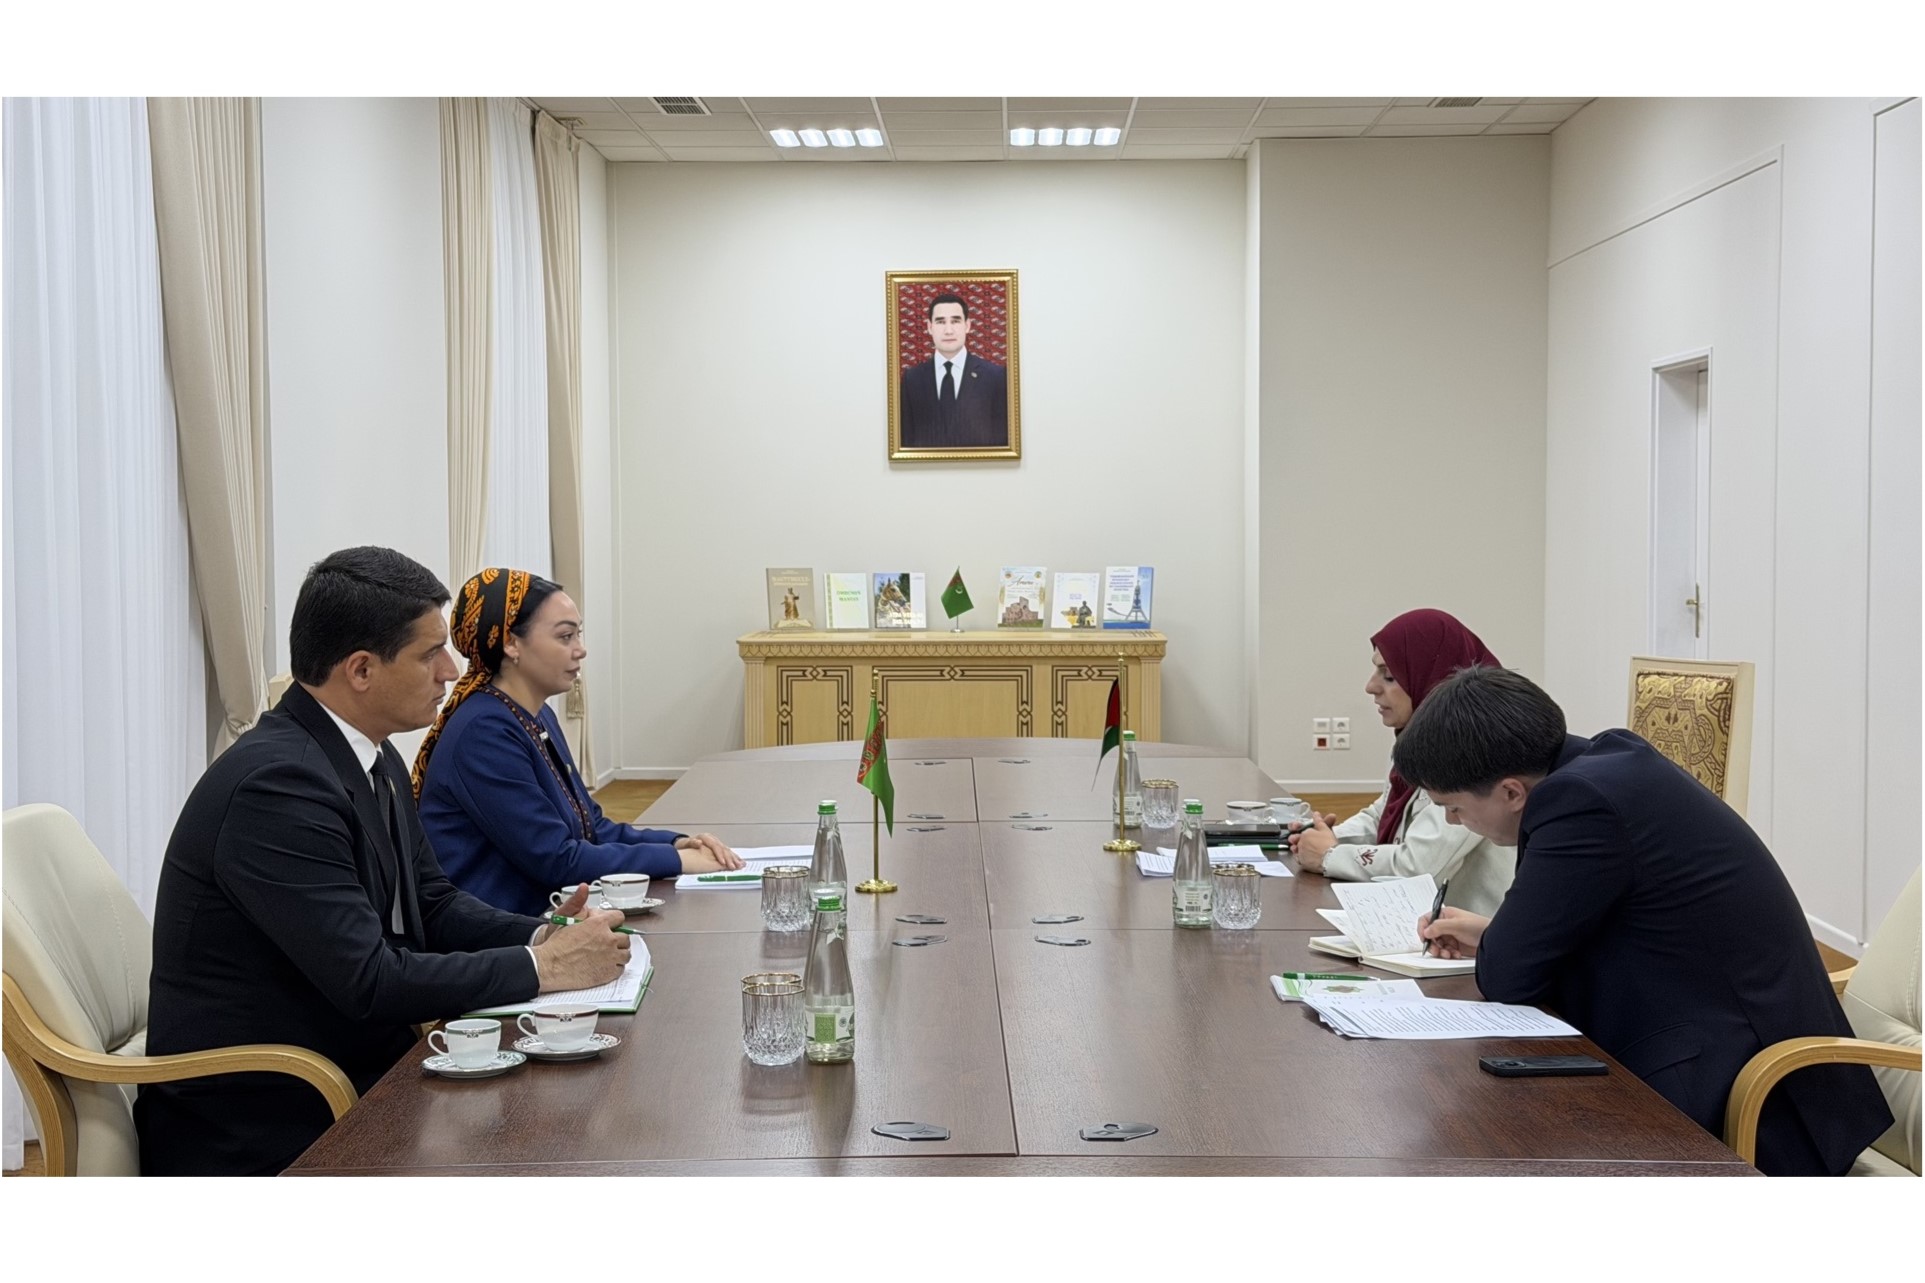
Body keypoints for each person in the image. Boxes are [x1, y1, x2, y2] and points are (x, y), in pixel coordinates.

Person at [137, 547, 631, 1176]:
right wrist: (544, 967)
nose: (451, 671)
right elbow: (369, 981)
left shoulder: (371, 754)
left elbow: (433, 903)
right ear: (362, 670)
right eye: (430, 654)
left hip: (355, 1070)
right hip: (270, 1114)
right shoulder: (276, 787)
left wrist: (544, 935)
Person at [1397, 666, 1892, 1176]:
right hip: (1714, 1039)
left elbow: (1508, 976)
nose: (1454, 822)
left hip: (1753, 1097)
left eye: (1453, 808)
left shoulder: (1578, 802)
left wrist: (1499, 946)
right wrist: (1491, 934)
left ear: (1511, 792)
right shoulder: (1603, 763)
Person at [414, 568, 743, 918]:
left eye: (578, 634)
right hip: (501, 936)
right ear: (511, 643)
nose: (581, 650)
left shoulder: (535, 714)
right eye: (565, 636)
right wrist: (677, 861)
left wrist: (677, 843)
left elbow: (591, 827)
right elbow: (557, 859)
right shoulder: (484, 731)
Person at [1288, 608, 1515, 915]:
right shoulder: (1417, 736)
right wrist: (1320, 836)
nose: (1371, 686)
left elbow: (1418, 868)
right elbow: (1382, 814)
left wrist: (1330, 855)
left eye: (1389, 676)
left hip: (1470, 934)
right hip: (1424, 921)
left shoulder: (1474, 750)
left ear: (1433, 677)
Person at [897, 291, 1009, 449]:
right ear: (929, 327)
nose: (948, 330)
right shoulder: (912, 379)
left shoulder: (996, 377)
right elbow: (906, 441)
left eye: (955, 321)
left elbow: (1003, 441)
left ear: (967, 326)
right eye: (940, 322)